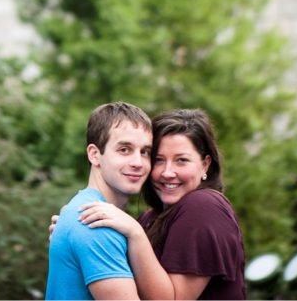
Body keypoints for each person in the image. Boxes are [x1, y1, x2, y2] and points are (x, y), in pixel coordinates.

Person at [74, 109, 247, 300]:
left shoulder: (204, 207)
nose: (167, 172)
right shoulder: (151, 217)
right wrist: (77, 234)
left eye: (181, 160)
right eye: (158, 160)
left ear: (205, 164)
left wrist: (135, 233)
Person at [46, 101, 153, 300]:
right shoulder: (95, 221)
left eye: (145, 152)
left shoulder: (88, 211)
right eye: (124, 150)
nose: (138, 162)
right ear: (95, 155)